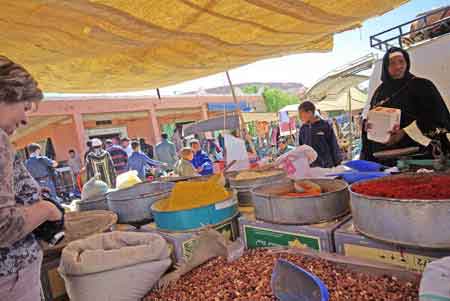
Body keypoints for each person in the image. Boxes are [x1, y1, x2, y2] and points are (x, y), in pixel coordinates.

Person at [0, 55, 63, 301]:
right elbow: (3, 225)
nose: (26, 119)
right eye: (25, 107)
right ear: (7, 93)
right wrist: (47, 210)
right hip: (9, 278)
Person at [361, 47, 450, 165]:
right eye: (392, 63)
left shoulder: (422, 86)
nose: (398, 66)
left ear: (407, 63)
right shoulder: (379, 92)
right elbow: (372, 117)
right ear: (386, 67)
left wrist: (405, 132)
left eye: (401, 62)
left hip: (419, 156)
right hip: (384, 157)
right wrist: (367, 125)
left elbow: (439, 117)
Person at [298, 101, 341, 168]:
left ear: (309, 113)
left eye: (301, 114)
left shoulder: (325, 125)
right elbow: (301, 148)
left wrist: (337, 163)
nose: (300, 117)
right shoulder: (303, 129)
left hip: (326, 165)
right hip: (310, 167)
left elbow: (333, 145)